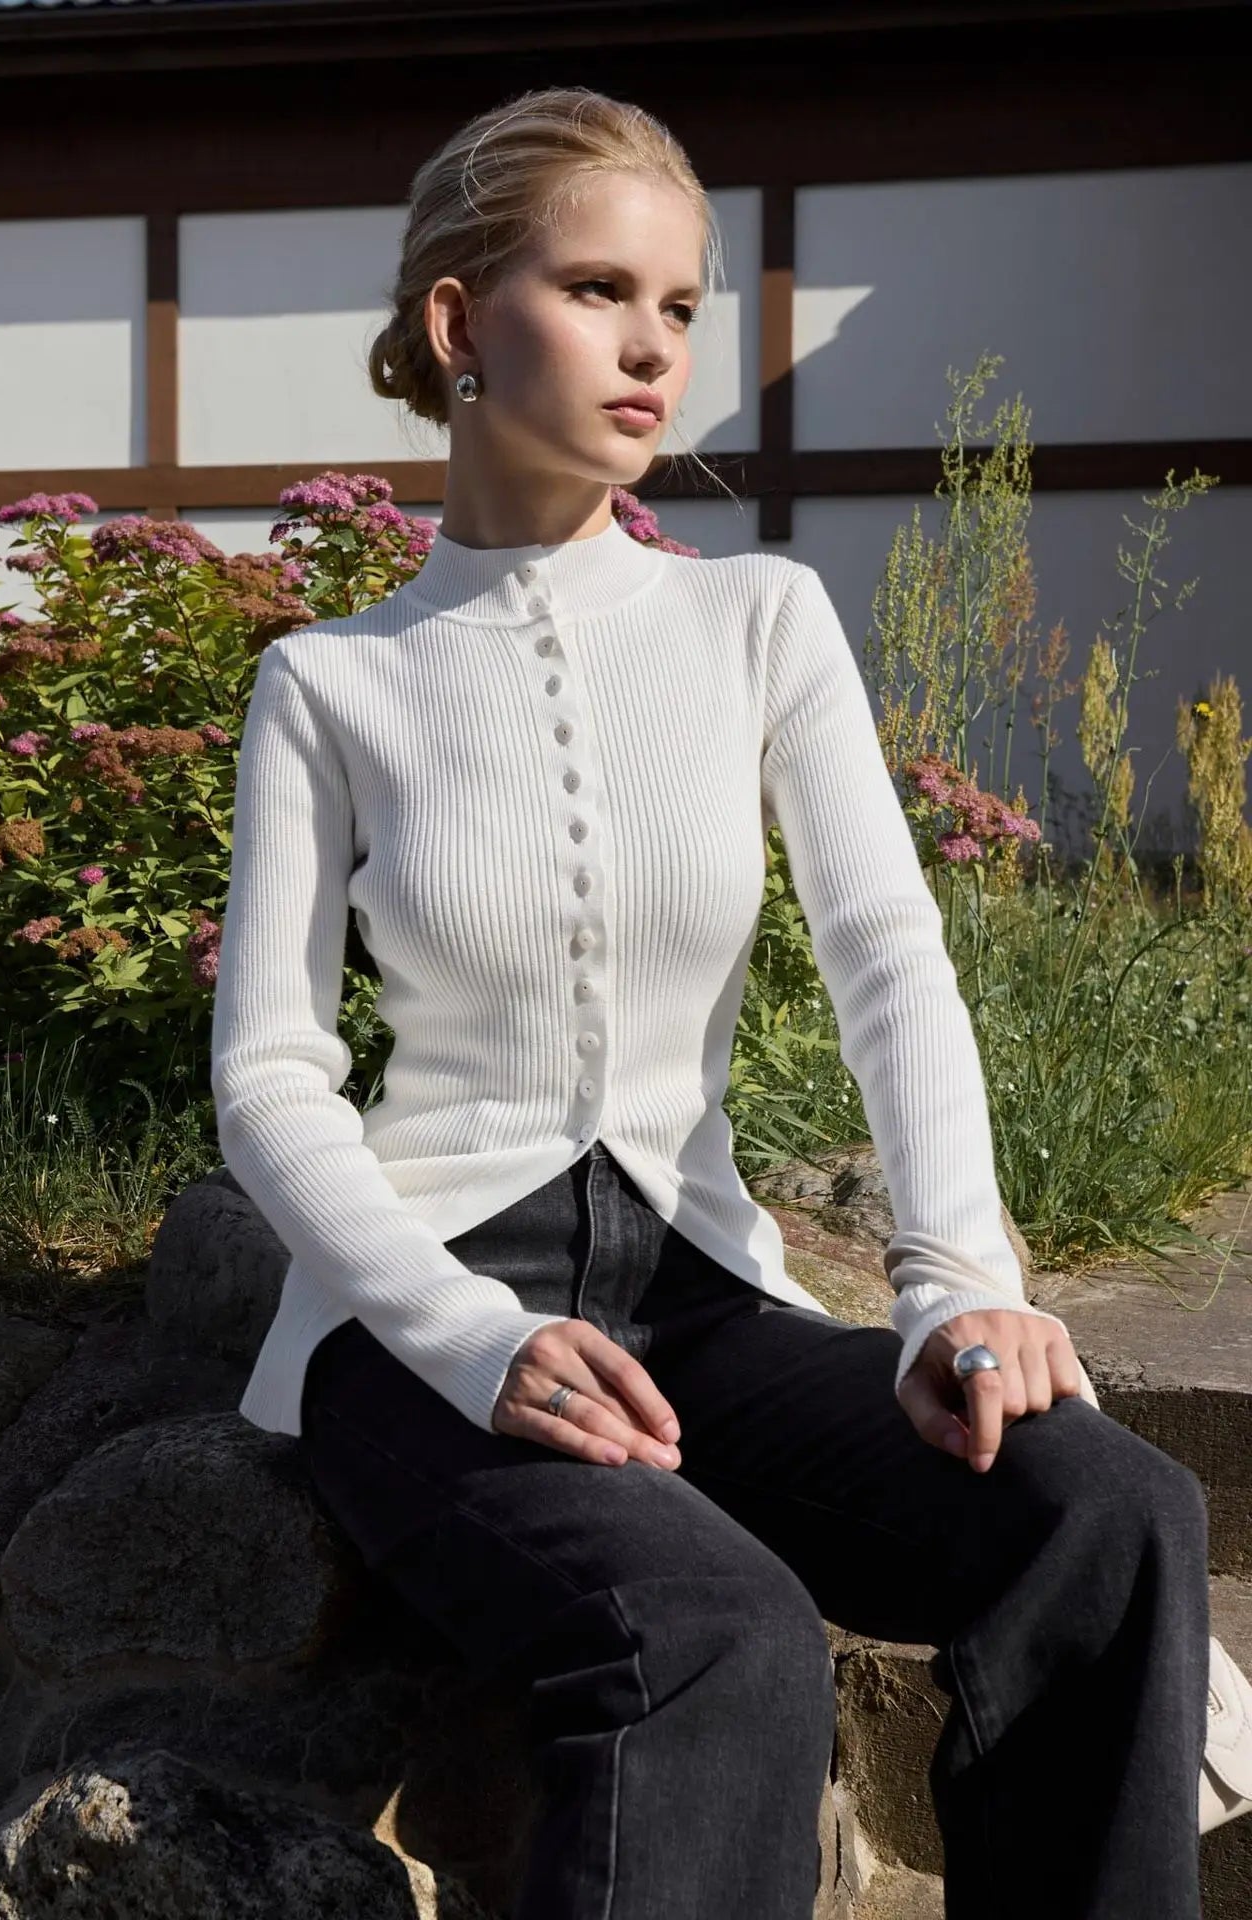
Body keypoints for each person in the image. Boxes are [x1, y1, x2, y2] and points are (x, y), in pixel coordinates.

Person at [210, 85, 1213, 1919]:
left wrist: (959, 1284)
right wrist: (463, 1335)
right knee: (710, 1628)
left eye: (680, 305)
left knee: (1107, 1510)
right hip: (428, 1316)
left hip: (705, 1294)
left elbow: (888, 954)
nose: (656, 347)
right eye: (600, 289)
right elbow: (270, 1075)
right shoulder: (329, 683)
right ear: (457, 324)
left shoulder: (761, 618)